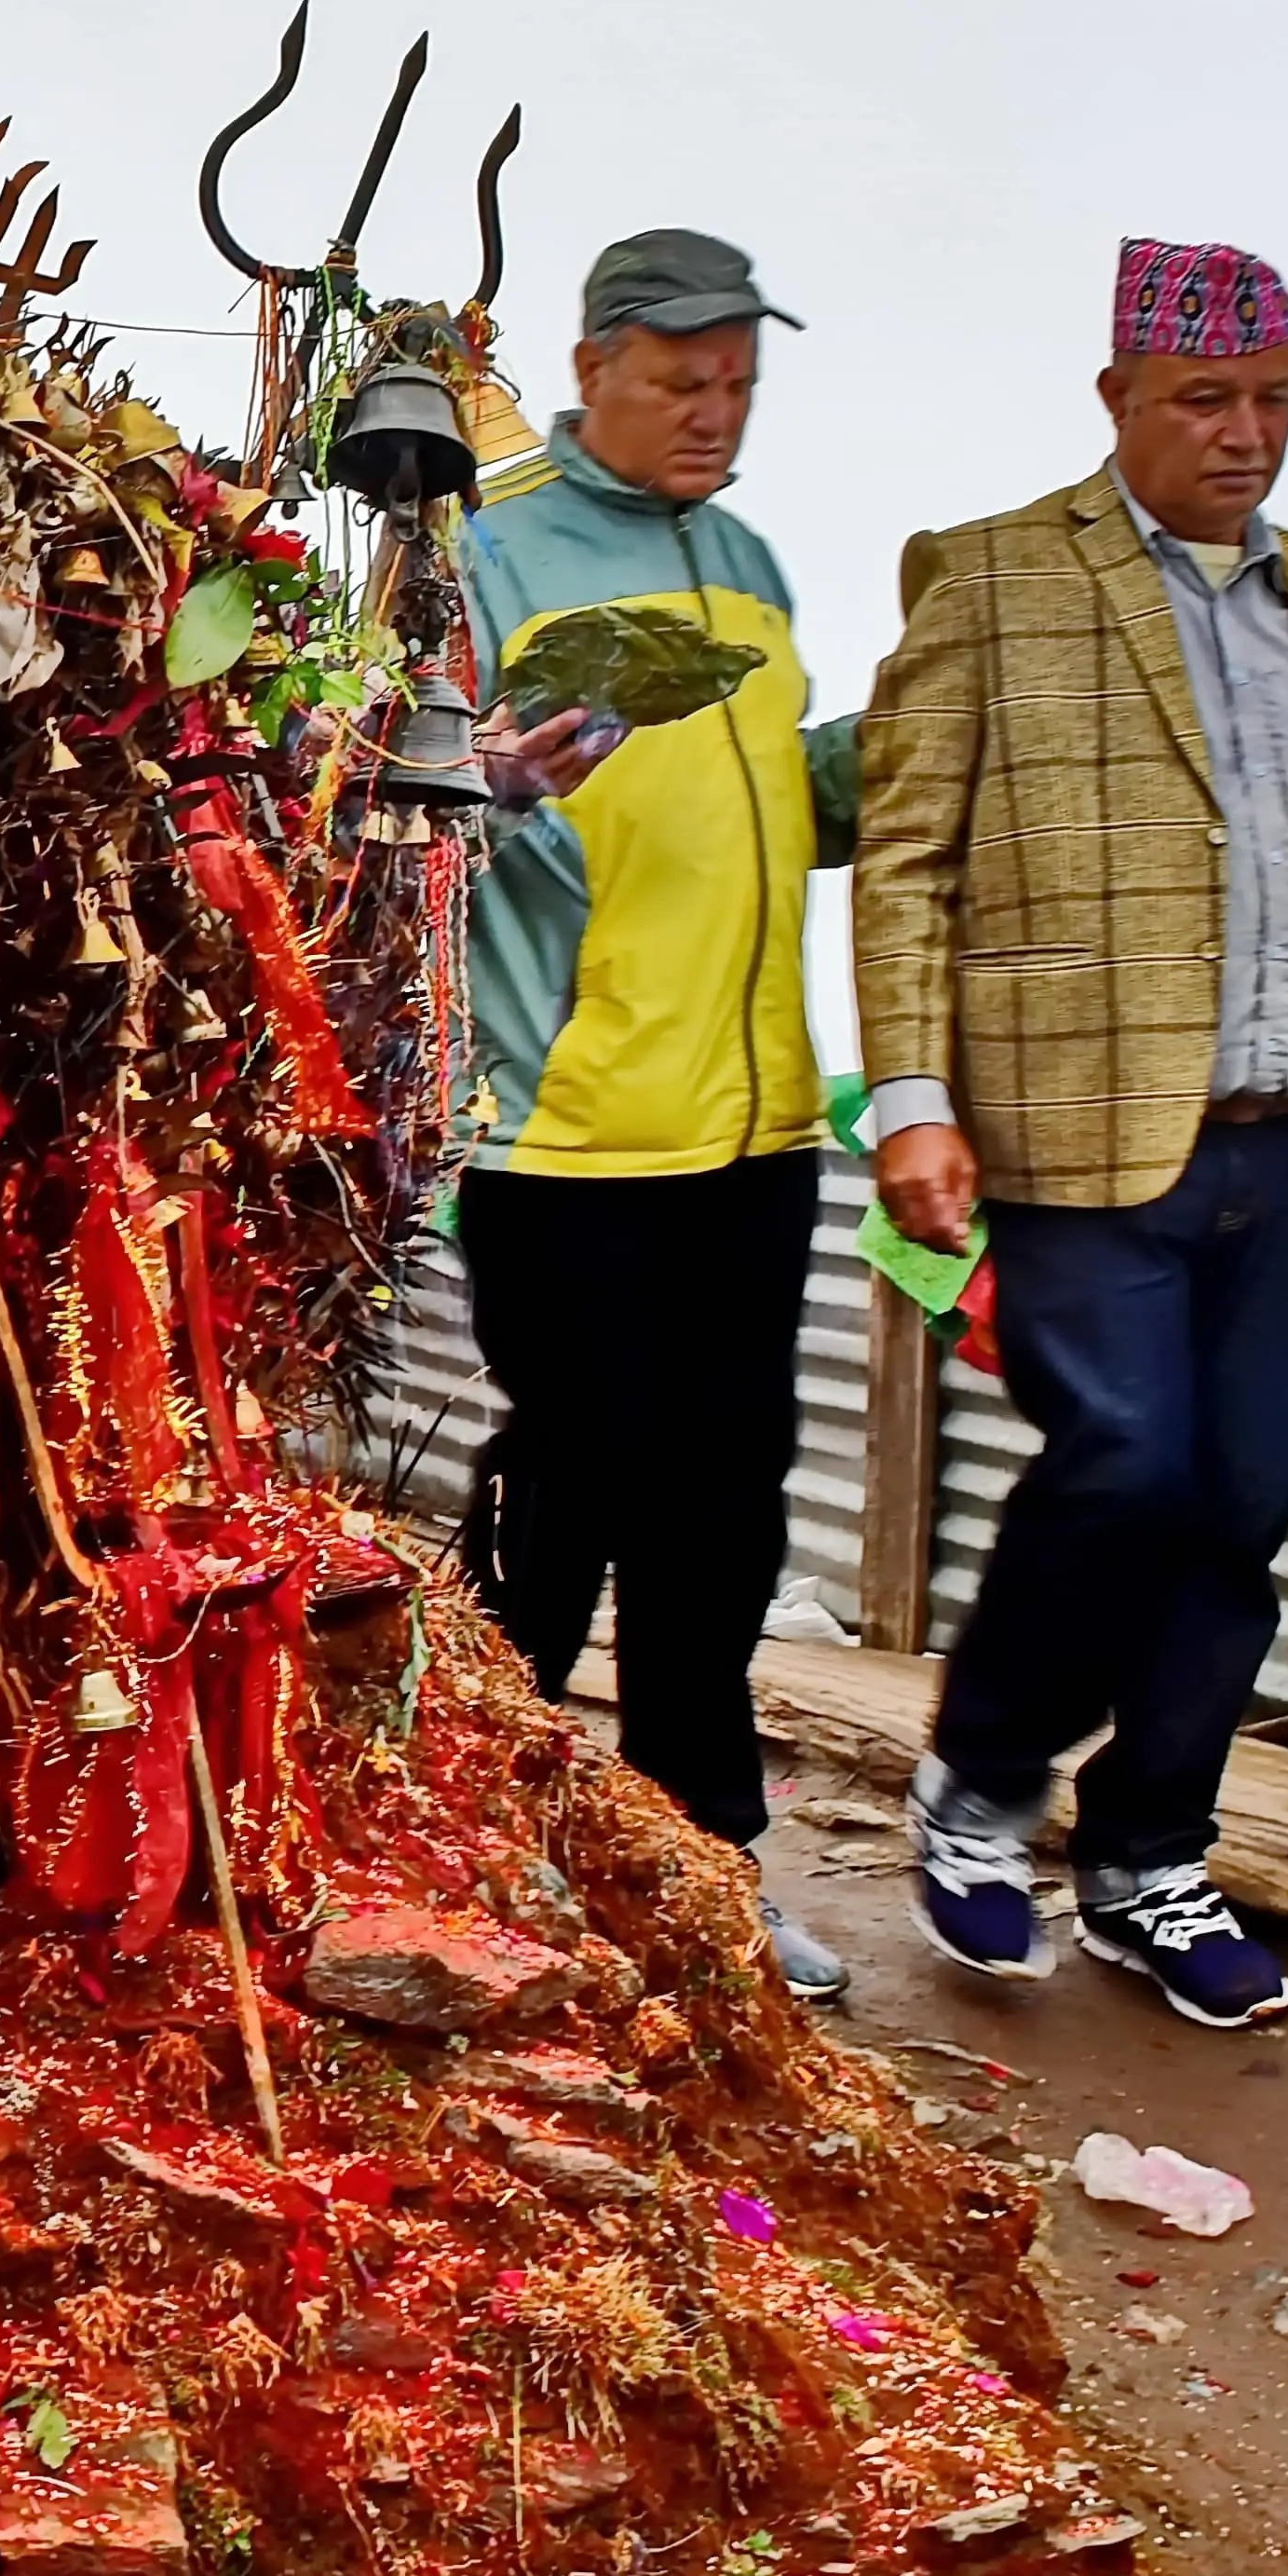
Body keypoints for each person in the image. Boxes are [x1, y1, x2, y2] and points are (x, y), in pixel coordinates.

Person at [847, 239, 1288, 2028]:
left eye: (1272, 400)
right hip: (1081, 1126)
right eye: (1204, 400)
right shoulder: (991, 573)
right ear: (1116, 397)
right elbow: (907, 858)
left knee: (1234, 1509)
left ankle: (1147, 1859)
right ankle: (979, 1784)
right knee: (1123, 1456)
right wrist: (909, 1097)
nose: (1244, 434)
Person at [453, 223, 862, 2001]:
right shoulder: (481, 547)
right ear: (593, 366)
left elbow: (771, 807)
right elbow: (368, 781)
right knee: (575, 1482)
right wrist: (479, 775)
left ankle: (708, 1858)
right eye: (685, 380)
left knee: (728, 1508)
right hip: (566, 1127)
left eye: (739, 384)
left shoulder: (746, 562)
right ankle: (472, 1829)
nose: (717, 412)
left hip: (754, 1125)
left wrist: (894, 753)